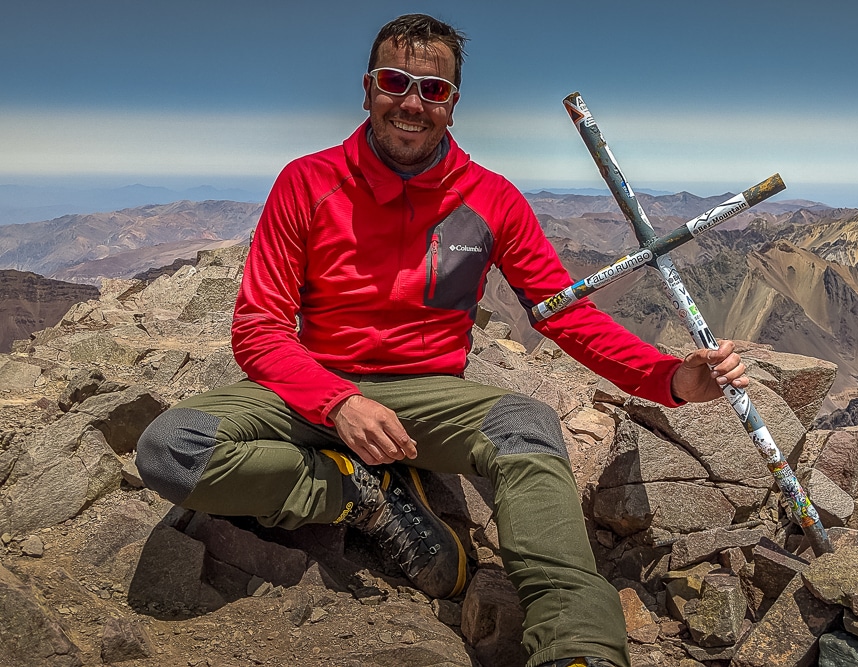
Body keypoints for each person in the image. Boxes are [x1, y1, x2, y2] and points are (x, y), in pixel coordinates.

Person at [136, 13, 748, 667]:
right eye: (396, 82)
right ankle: (353, 491)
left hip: (424, 398)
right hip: (311, 390)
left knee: (528, 423)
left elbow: (563, 314)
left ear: (453, 105)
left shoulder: (491, 199)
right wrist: (339, 402)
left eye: (433, 89)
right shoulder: (306, 183)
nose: (412, 102)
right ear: (368, 88)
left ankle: (579, 645)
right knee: (172, 448)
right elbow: (259, 327)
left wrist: (672, 378)